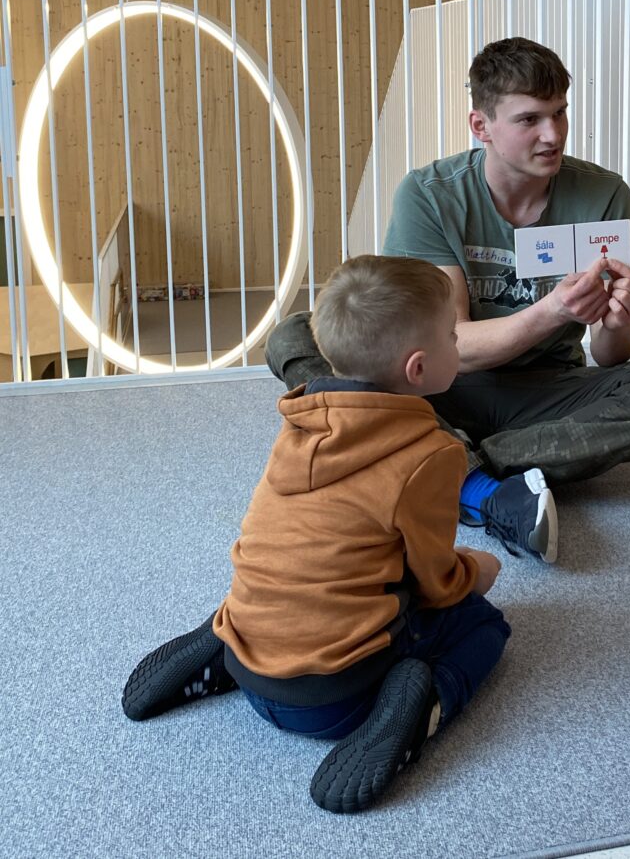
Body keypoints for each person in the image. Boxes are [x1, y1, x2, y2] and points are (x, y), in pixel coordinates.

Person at [266, 37, 630, 565]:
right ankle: (477, 481)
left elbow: (610, 356)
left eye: (559, 113)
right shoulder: (429, 194)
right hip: (438, 383)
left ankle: (440, 461)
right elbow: (455, 344)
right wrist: (552, 310)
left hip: (545, 393)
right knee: (300, 333)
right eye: (530, 120)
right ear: (481, 126)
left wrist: (617, 322)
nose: (553, 134)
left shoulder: (604, 194)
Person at [122, 256, 511, 814]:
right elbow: (436, 581)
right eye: (453, 335)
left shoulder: (299, 420)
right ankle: (423, 701)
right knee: (483, 625)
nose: (458, 343)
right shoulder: (431, 454)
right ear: (418, 368)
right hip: (336, 701)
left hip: (248, 661)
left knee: (304, 564)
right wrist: (478, 570)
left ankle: (227, 639)